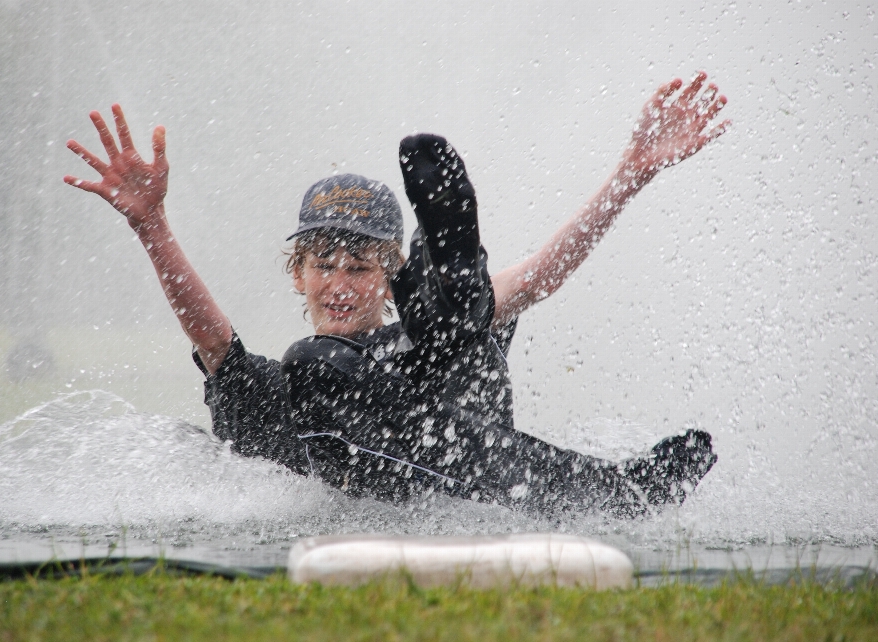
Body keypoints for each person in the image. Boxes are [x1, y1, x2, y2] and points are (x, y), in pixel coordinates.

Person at [65, 72, 729, 518]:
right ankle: (451, 280)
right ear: (298, 275)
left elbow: (538, 279)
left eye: (361, 266)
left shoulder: (411, 334)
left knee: (453, 326)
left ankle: (453, 274)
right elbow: (212, 339)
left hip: (455, 409)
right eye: (323, 264)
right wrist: (150, 224)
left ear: (386, 279)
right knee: (314, 367)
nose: (341, 282)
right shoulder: (277, 389)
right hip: (354, 414)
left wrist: (628, 177)